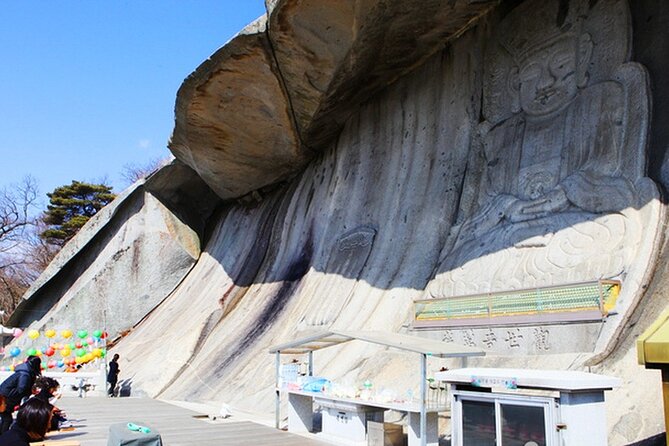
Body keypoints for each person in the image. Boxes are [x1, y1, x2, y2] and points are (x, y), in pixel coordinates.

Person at [0, 356, 41, 433]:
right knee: (7, 419)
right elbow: (22, 389)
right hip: (5, 398)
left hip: (5, 396)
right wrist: (30, 392)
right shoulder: (25, 374)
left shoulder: (25, 371)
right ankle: (3, 437)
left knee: (6, 418)